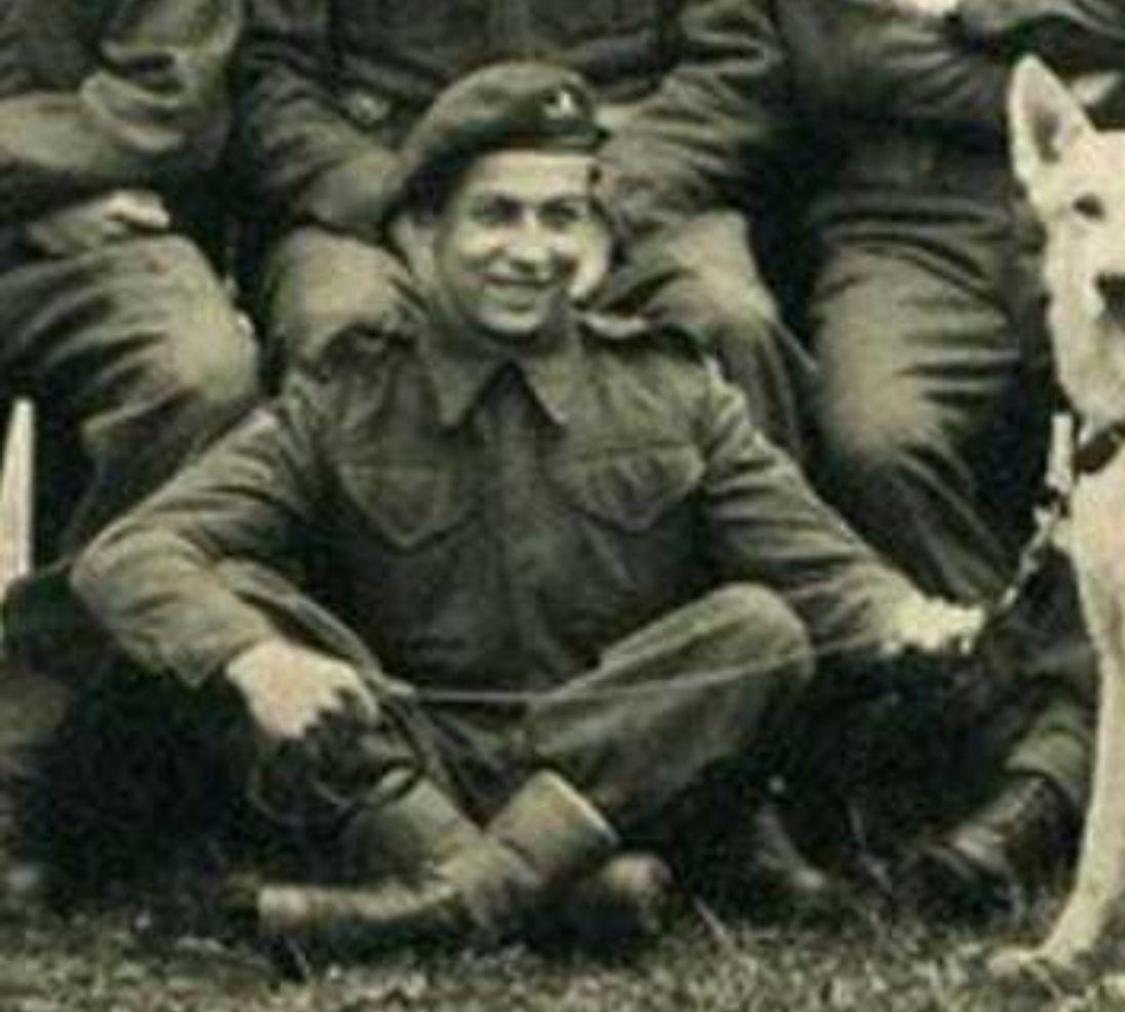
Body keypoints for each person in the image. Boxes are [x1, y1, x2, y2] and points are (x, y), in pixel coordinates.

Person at [71, 62, 979, 955]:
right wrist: (256, 659)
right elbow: (128, 555)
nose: (531, 250)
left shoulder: (671, 388)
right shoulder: (345, 395)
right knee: (229, 597)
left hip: (612, 759)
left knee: (760, 627)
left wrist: (902, 614)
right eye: (495, 215)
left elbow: (812, 560)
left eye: (561, 217)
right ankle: (561, 891)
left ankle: (445, 903)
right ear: (422, 233)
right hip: (412, 768)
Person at [596, 0, 1125, 914]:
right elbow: (848, 57)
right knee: (880, 438)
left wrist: (980, 12)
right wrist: (1067, 63)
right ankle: (1028, 742)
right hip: (910, 219)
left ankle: (1050, 783)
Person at [234, 0, 814, 459]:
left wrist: (611, 205)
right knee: (338, 318)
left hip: (627, 177)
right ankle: (329, 597)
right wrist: (398, 209)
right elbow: (270, 83)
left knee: (725, 316)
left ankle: (763, 584)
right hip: (389, 189)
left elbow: (737, 70)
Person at [0, 0, 260, 894]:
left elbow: (167, 102)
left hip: (98, 234)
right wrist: (35, 188)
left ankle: (29, 738)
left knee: (197, 375)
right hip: (69, 198)